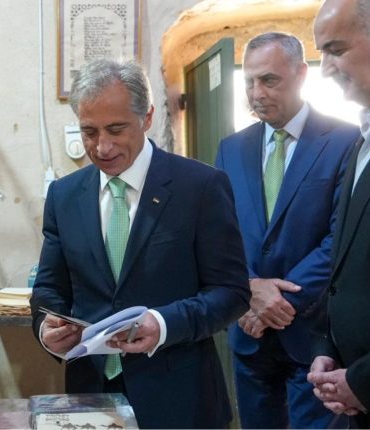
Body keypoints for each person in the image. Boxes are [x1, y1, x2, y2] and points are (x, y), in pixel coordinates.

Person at [29, 58, 250, 429]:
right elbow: (49, 290)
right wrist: (46, 330)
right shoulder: (64, 196)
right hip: (91, 396)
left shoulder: (200, 187)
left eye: (116, 129)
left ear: (147, 117)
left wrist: (163, 323)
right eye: (89, 132)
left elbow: (232, 293)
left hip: (180, 399)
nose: (102, 146)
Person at [215, 32, 358, 429]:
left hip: (315, 337)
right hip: (249, 331)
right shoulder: (231, 148)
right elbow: (219, 235)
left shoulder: (347, 140)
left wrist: (278, 301)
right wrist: (249, 289)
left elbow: (341, 237)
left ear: (300, 74)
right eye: (249, 81)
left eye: (269, 80)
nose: (256, 93)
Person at [309, 0, 370, 427]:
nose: (325, 69)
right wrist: (328, 346)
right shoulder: (366, 137)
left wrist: (366, 380)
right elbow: (350, 264)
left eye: (336, 50)